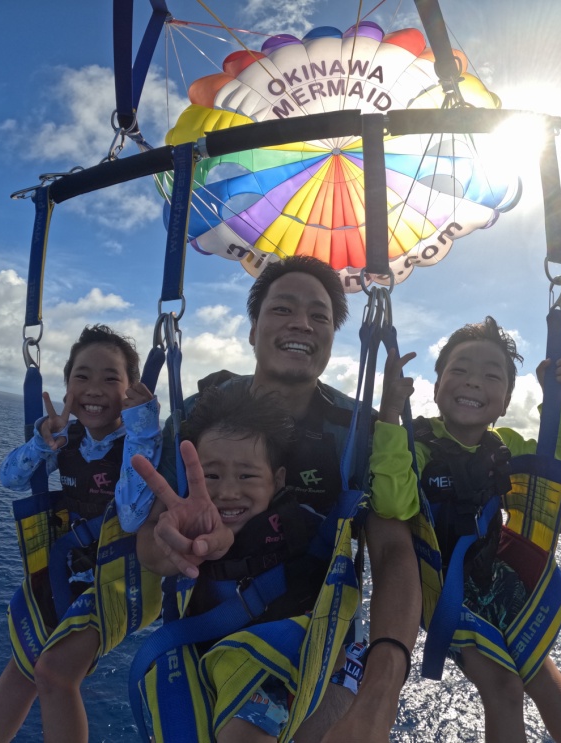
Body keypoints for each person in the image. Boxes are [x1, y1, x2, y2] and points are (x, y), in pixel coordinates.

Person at [146, 256, 421, 743]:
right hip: (205, 638)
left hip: (314, 646)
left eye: (319, 316)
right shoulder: (198, 418)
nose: (302, 324)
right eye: (283, 310)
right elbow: (150, 542)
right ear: (252, 330)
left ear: (332, 340)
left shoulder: (357, 431)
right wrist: (172, 548)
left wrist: (383, 686)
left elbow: (393, 551)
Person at [371, 316, 561, 742]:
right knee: (505, 687)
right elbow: (392, 503)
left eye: (491, 375)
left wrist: (554, 397)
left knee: (539, 671)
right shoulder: (413, 446)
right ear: (435, 387)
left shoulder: (504, 448)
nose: (473, 382)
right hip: (443, 591)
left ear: (506, 401)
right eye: (459, 370)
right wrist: (388, 418)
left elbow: (558, 460)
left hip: (496, 581)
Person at [0, 324, 163, 743]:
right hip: (73, 573)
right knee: (22, 669)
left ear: (131, 389)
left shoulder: (141, 441)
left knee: (54, 674)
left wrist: (143, 426)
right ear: (67, 387)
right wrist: (43, 444)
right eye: (82, 376)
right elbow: (9, 478)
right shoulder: (68, 440)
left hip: (125, 578)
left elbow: (130, 515)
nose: (95, 388)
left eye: (111, 378)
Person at [135, 384, 343, 741]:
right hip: (202, 654)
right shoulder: (188, 523)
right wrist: (174, 543)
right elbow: (155, 557)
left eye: (247, 476)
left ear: (277, 480)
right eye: (212, 476)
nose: (229, 492)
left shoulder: (303, 526)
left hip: (275, 657)